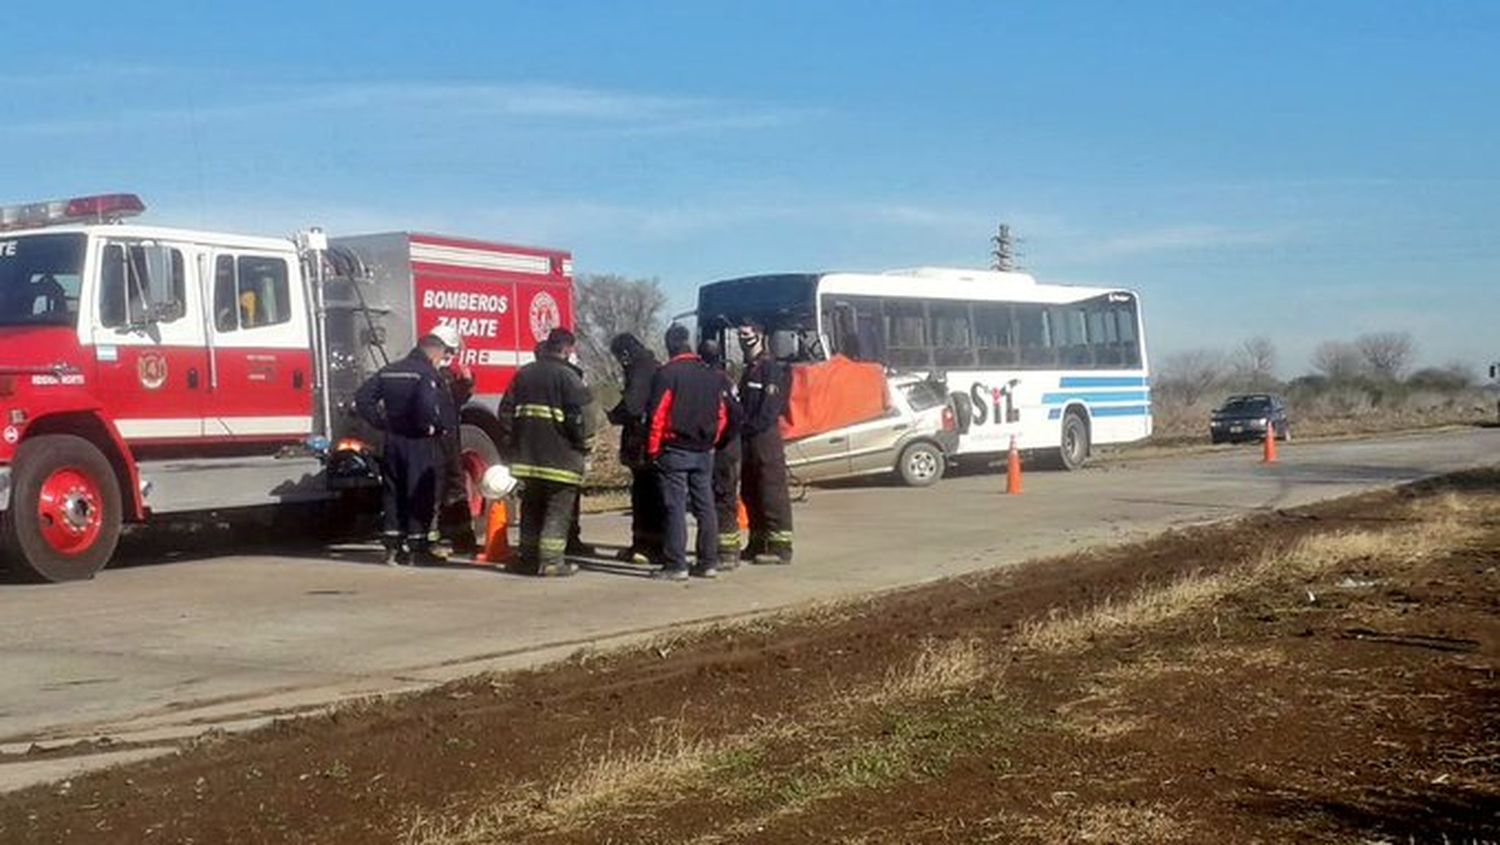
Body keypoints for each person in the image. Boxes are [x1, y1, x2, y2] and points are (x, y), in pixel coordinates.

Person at [498, 328, 594, 576]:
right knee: (557, 509)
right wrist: (585, 446)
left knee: (531, 507)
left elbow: (505, 412)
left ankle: (527, 558)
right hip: (560, 459)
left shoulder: (523, 375)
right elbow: (583, 419)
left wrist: (514, 444)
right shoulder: (569, 378)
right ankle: (551, 561)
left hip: (527, 459)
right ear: (567, 349)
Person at [354, 332, 455, 566]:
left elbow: (363, 397)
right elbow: (427, 405)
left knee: (393, 491)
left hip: (392, 440)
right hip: (417, 440)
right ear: (435, 353)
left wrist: (380, 422)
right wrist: (433, 426)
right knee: (419, 492)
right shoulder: (427, 373)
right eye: (442, 356)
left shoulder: (390, 369)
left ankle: (392, 548)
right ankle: (417, 550)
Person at [645, 325, 729, 581]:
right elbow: (722, 414)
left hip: (675, 449)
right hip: (704, 450)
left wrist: (652, 450)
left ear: (669, 345)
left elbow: (658, 415)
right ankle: (708, 562)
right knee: (706, 507)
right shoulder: (711, 375)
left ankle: (676, 564)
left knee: (675, 507)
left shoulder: (666, 374)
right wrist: (711, 440)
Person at [738, 324, 794, 565]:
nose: (742, 339)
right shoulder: (750, 369)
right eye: (739, 335)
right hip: (748, 440)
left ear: (759, 336)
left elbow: (769, 410)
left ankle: (781, 547)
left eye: (746, 335)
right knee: (750, 492)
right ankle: (758, 541)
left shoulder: (770, 368)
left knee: (771, 493)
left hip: (765, 439)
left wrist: (748, 427)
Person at [606, 333, 664, 565]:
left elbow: (633, 405)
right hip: (650, 441)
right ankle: (646, 544)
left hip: (643, 442)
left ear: (626, 354)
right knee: (649, 495)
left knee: (646, 497)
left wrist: (613, 416)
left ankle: (648, 547)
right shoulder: (651, 365)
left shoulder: (641, 368)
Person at [430, 325, 479, 555]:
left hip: (447, 441)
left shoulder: (443, 375)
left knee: (454, 487)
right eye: (449, 351)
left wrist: (466, 384)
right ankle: (440, 539)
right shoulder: (433, 375)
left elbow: (454, 403)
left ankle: (460, 537)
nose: (450, 356)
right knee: (440, 489)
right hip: (438, 442)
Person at [699, 338, 745, 568]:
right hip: (732, 445)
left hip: (723, 448)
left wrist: (718, 440)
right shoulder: (727, 379)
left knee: (721, 497)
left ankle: (727, 552)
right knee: (725, 496)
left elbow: (733, 415)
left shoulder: (713, 381)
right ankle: (728, 549)